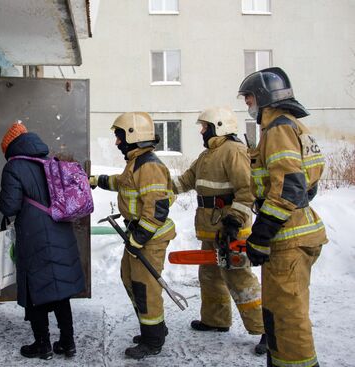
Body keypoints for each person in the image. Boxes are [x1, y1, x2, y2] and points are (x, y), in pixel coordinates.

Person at [238, 67, 327, 367]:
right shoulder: (292, 126)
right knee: (279, 311)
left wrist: (261, 234)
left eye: (249, 98)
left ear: (264, 97)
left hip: (287, 238)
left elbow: (289, 187)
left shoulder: (277, 128)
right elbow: (306, 183)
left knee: (288, 319)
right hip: (296, 231)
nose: (247, 104)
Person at [170, 106, 266, 354]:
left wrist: (234, 222)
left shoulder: (234, 152)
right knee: (210, 275)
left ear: (219, 127)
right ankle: (216, 320)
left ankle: (267, 330)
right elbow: (183, 182)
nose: (201, 131)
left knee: (239, 279)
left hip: (231, 230)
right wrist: (158, 190)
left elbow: (247, 191)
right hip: (211, 230)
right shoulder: (206, 156)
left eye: (205, 126)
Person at [90, 112, 176, 360]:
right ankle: (154, 328)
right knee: (129, 279)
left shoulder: (150, 166)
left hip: (150, 236)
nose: (117, 142)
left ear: (132, 136)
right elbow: (124, 183)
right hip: (138, 234)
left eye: (119, 137)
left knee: (144, 287)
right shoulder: (137, 162)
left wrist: (139, 238)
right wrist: (98, 180)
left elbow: (157, 209)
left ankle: (153, 340)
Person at [0, 121, 85, 360]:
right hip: (60, 230)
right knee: (59, 290)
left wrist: (1, 202)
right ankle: (68, 343)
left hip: (34, 235)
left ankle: (42, 344)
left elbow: (10, 205)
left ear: (10, 148)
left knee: (35, 289)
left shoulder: (14, 167)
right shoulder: (51, 162)